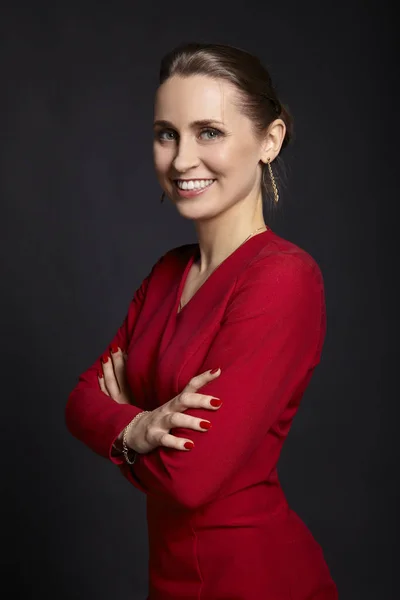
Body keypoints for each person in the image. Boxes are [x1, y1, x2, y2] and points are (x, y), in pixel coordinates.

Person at [65, 42, 338, 599]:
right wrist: (140, 429)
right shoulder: (168, 272)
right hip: (172, 579)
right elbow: (78, 400)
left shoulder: (283, 278)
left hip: (253, 580)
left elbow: (191, 480)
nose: (182, 158)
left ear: (270, 140)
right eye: (167, 133)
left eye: (208, 131)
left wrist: (120, 430)